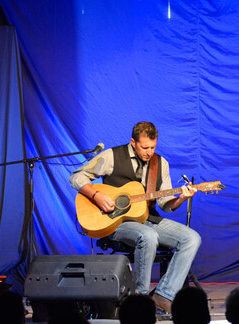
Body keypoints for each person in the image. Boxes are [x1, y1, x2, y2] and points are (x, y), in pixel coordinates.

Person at [70, 121, 202, 312]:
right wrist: (96, 196)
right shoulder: (112, 156)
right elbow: (76, 176)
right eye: (144, 147)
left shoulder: (160, 163)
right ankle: (139, 301)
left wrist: (182, 197)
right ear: (133, 142)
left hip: (148, 219)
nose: (149, 152)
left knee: (192, 238)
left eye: (153, 147)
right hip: (116, 222)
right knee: (148, 236)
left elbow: (166, 205)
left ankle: (163, 295)